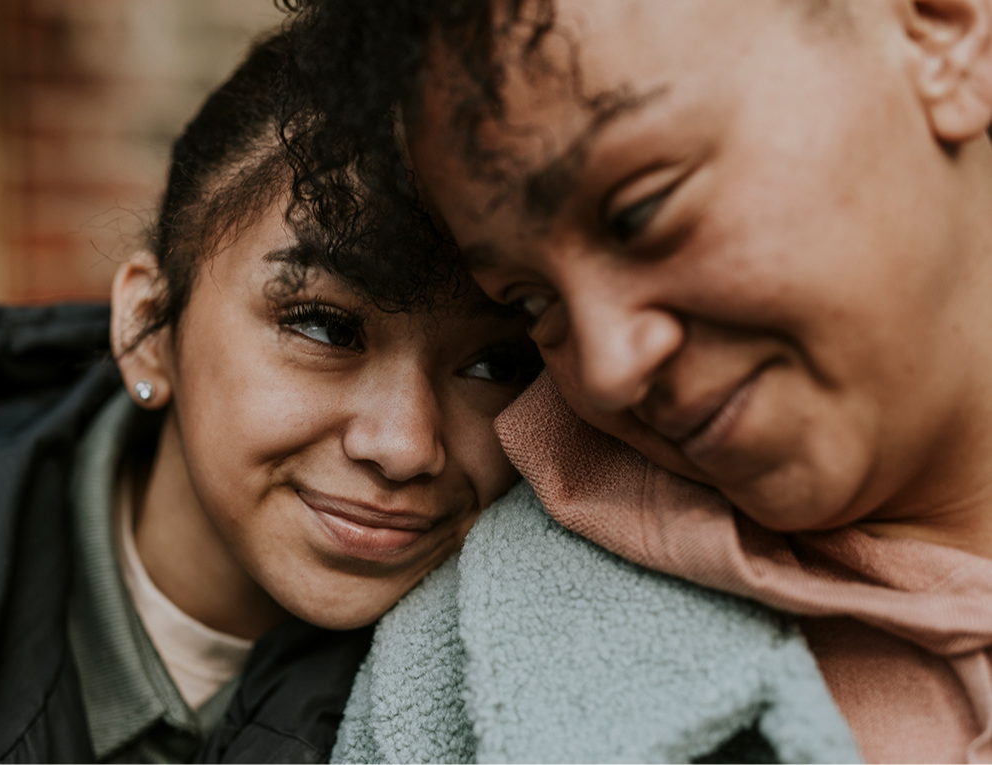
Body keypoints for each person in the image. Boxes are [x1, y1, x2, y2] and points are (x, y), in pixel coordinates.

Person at [0, 30, 541, 763]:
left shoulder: (540, 666)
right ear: (146, 328)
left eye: (496, 363)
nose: (405, 443)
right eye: (323, 327)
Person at [280, 0, 992, 762]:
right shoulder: (468, 689)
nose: (610, 369)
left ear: (939, 31)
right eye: (530, 302)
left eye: (642, 211)